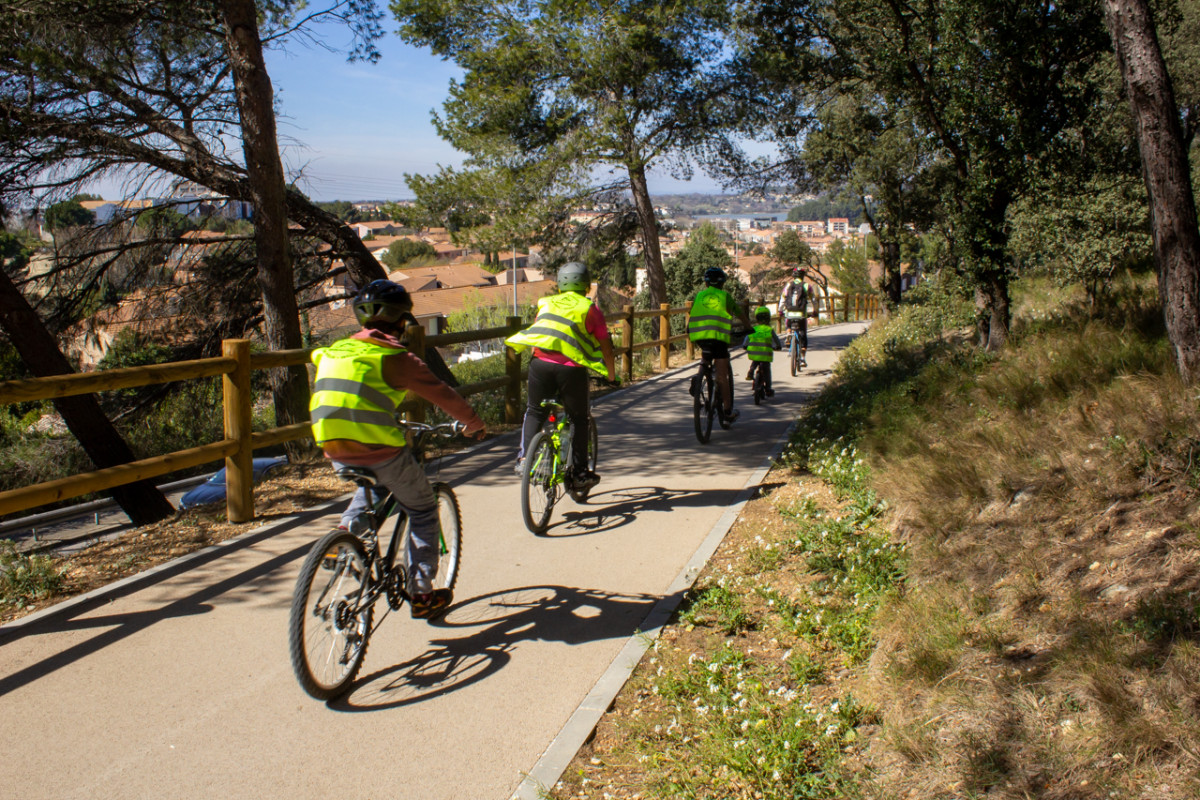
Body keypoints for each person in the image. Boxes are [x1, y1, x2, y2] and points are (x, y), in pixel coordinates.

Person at [309, 279, 486, 620]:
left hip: (332, 445)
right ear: (403, 321)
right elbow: (443, 394)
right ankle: (422, 594)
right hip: (377, 447)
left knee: (374, 485)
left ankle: (344, 538)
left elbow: (336, 379)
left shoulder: (333, 350)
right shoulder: (396, 358)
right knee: (422, 508)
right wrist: (473, 423)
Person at [505, 261, 616, 490]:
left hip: (539, 365)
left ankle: (524, 459)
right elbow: (606, 348)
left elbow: (541, 333)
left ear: (559, 285)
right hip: (571, 369)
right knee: (578, 419)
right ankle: (580, 473)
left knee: (535, 411)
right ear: (586, 286)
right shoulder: (589, 309)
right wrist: (612, 376)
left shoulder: (546, 303)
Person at [687, 266, 752, 422]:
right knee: (722, 376)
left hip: (698, 335)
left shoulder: (699, 295)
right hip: (718, 337)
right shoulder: (725, 296)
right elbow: (740, 314)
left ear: (706, 283)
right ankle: (728, 411)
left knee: (706, 355)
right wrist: (749, 328)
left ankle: (699, 377)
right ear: (722, 283)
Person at [743, 306, 783, 396]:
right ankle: (768, 388)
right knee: (767, 370)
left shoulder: (753, 329)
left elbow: (746, 339)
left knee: (755, 361)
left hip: (754, 353)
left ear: (757, 318)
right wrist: (778, 347)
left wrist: (745, 346)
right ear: (768, 318)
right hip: (765, 354)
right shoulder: (769, 330)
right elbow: (776, 340)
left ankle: (751, 370)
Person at [777, 266, 813, 367]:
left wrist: (780, 310)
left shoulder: (788, 285)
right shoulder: (807, 286)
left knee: (788, 322)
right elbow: (813, 300)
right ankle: (802, 359)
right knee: (803, 335)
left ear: (793, 276)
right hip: (801, 315)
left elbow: (782, 299)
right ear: (803, 276)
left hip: (789, 314)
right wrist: (814, 311)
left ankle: (788, 333)